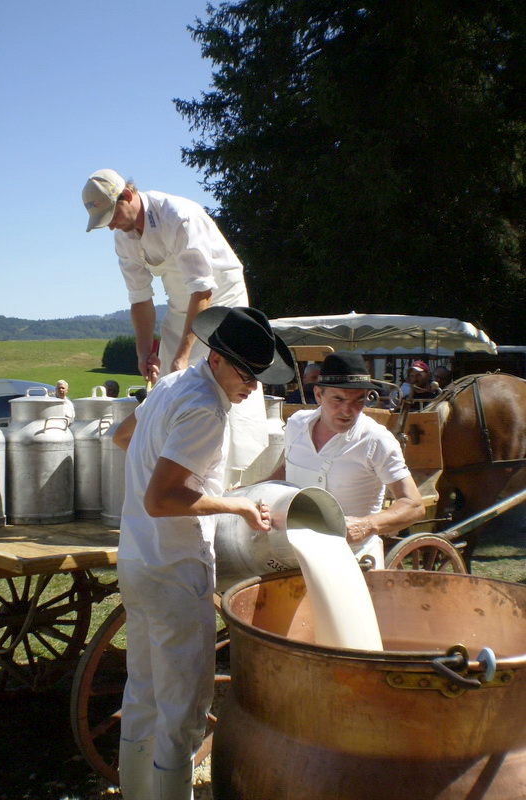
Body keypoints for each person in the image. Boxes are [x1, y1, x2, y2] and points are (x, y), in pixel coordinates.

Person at [112, 306, 294, 800]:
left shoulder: (170, 386)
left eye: (257, 376)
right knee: (184, 711)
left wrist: (156, 452)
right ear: (215, 358)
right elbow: (161, 498)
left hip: (137, 560)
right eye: (244, 373)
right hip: (174, 570)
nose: (252, 387)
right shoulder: (206, 409)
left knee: (144, 693)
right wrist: (235, 504)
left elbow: (120, 435)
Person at [82, 168, 268, 485]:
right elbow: (140, 299)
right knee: (173, 385)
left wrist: (184, 354)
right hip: (182, 304)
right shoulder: (123, 238)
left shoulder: (179, 216)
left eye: (112, 215)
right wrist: (145, 352)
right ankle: (179, 479)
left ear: (126, 195)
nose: (111, 224)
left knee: (226, 380)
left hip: (223, 301)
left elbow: (203, 291)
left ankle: (236, 482)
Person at [270, 352, 424, 568]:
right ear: (318, 394)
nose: (347, 410)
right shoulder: (296, 425)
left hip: (354, 563)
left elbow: (414, 504)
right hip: (295, 557)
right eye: (338, 399)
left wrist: (367, 524)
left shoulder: (376, 440)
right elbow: (287, 468)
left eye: (358, 399)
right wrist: (251, 492)